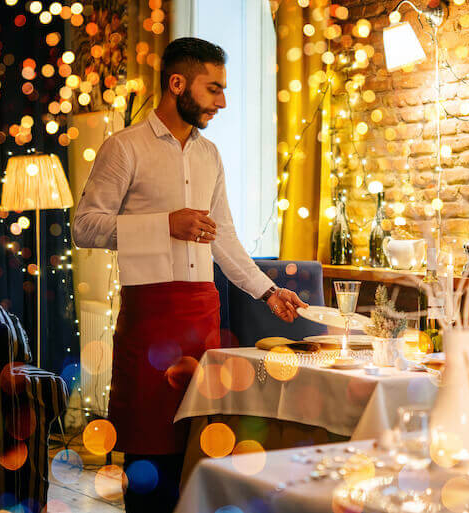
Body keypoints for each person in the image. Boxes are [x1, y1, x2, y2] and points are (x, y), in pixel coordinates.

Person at [72, 37, 307, 512]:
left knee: (203, 453)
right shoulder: (123, 148)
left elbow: (223, 239)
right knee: (150, 465)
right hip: (149, 321)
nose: (222, 101)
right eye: (213, 88)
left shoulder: (210, 155)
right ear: (177, 83)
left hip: (203, 319)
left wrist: (268, 292)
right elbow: (85, 226)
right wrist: (165, 225)